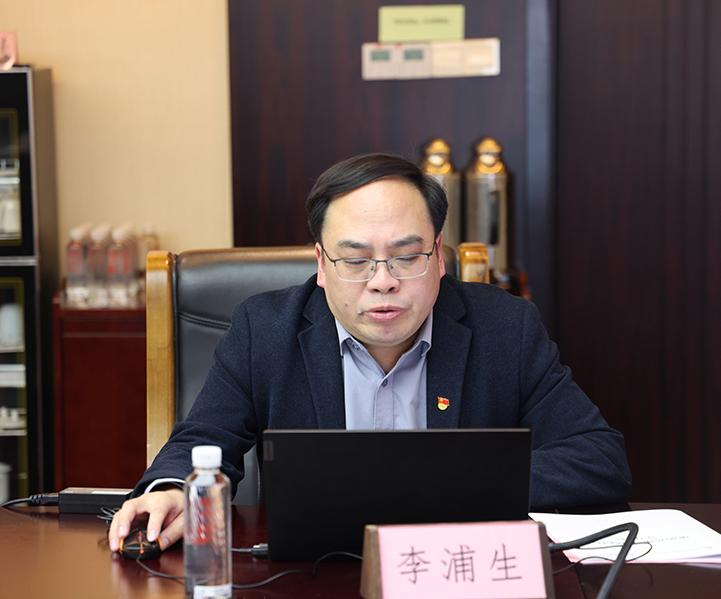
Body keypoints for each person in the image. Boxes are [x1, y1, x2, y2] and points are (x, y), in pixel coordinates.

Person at [109, 153, 631, 553]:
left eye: (406, 256)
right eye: (356, 261)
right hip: (313, 574)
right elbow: (203, 440)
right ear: (321, 263)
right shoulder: (263, 330)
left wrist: (447, 487)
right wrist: (172, 488)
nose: (383, 281)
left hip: (453, 573)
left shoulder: (505, 328)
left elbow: (598, 459)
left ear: (438, 256)